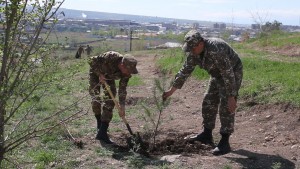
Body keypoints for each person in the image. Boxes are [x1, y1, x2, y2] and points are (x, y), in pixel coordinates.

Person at [162, 30, 243, 155]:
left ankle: (225, 141)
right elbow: (185, 71)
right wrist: (171, 91)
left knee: (225, 106)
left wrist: (232, 96)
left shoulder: (216, 50)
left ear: (200, 44)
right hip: (216, 74)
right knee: (208, 101)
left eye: (192, 48)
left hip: (232, 72)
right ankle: (207, 134)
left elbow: (228, 74)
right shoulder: (195, 52)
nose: (191, 51)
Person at [88, 51, 138, 144]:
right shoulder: (111, 57)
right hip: (96, 72)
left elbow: (122, 90)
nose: (129, 73)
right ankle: (99, 123)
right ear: (122, 65)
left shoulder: (126, 73)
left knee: (110, 100)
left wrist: (122, 106)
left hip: (108, 77)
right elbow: (90, 60)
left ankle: (102, 132)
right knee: (96, 99)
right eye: (128, 71)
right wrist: (99, 74)